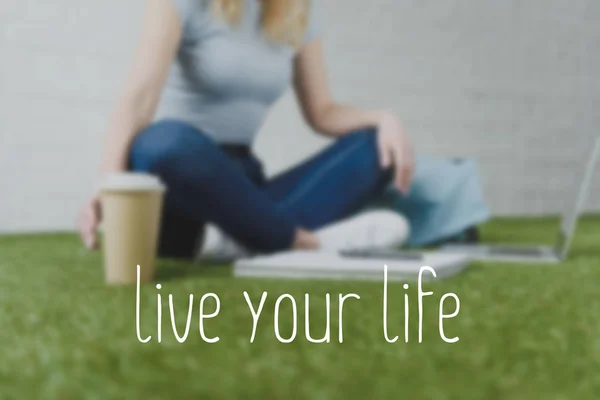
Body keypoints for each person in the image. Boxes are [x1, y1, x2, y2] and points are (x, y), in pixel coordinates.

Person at [77, 0, 414, 260]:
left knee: (375, 149)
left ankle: (237, 240)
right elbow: (139, 98)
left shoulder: (297, 10)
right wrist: (108, 184)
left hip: (241, 188)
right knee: (160, 144)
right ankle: (299, 242)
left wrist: (385, 119)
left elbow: (322, 111)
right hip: (182, 177)